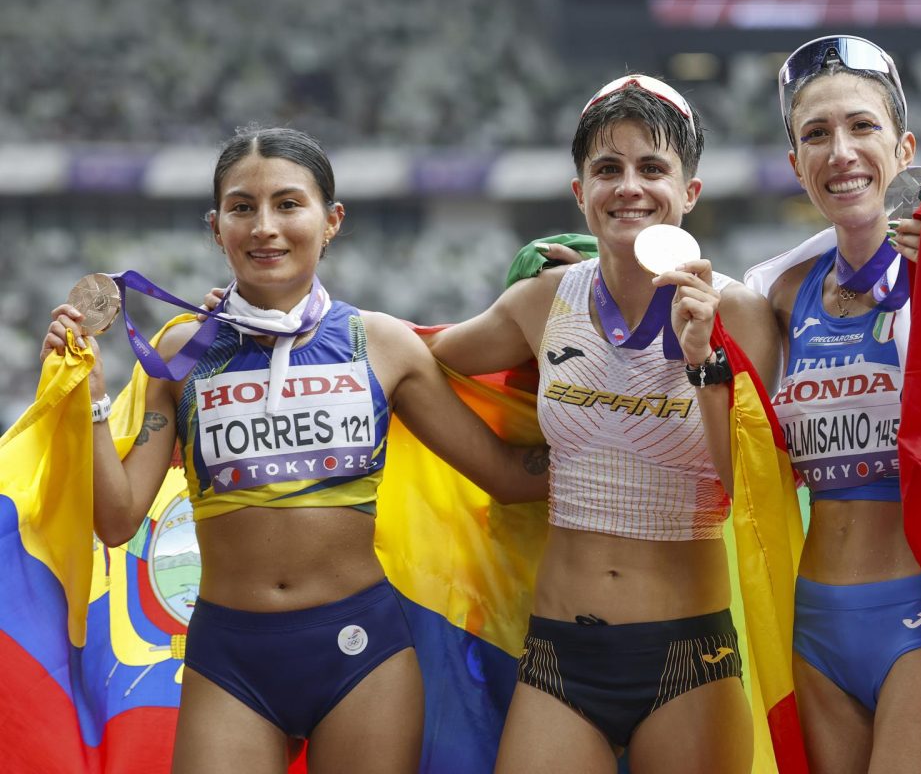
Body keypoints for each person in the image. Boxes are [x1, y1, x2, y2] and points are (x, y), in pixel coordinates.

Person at [40, 126, 549, 774]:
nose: (264, 227)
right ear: (216, 225)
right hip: (230, 660)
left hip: (364, 656)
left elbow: (505, 474)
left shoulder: (385, 347)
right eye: (242, 207)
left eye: (288, 204)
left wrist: (630, 459)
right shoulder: (180, 355)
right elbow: (116, 521)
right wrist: (86, 399)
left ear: (331, 220)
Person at [422, 75, 779, 773]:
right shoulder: (544, 298)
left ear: (691, 192)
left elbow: (756, 490)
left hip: (690, 660)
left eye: (653, 168)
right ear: (580, 193)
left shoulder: (738, 314)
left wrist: (704, 360)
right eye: (607, 170)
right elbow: (424, 361)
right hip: (558, 656)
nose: (629, 188)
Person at [743, 36, 921, 772]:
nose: (840, 151)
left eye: (861, 127)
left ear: (903, 146)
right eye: (815, 135)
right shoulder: (778, 295)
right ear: (796, 165)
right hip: (814, 621)